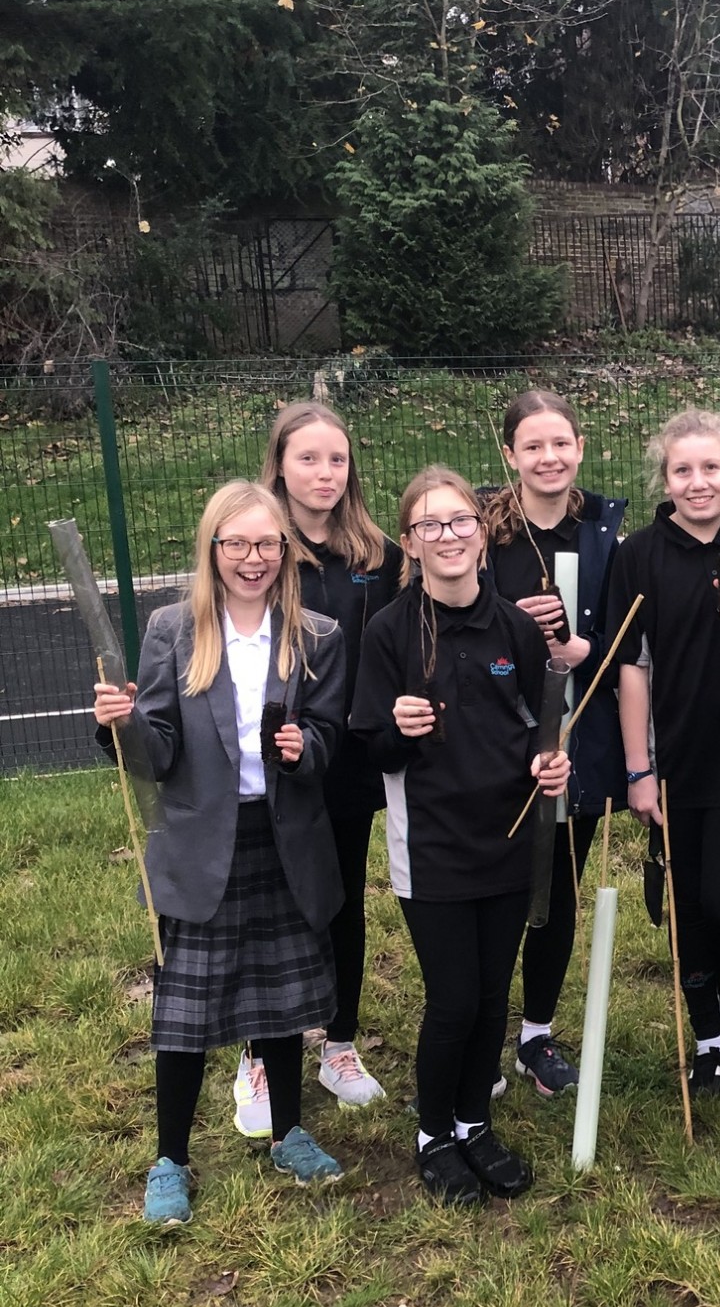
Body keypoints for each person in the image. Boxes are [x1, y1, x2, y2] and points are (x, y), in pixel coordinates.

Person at [93, 482, 348, 1226]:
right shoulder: (175, 631)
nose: (252, 558)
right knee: (185, 1012)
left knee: (282, 1000)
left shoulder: (316, 634)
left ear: (285, 550)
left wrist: (305, 748)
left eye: (266, 543)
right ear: (212, 549)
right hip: (203, 844)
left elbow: (330, 735)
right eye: (236, 543)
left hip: (283, 840)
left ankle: (288, 1132)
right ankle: (170, 1158)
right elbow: (157, 752)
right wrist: (121, 724)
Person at [349, 466, 571, 1207]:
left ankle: (475, 1123)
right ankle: (434, 1135)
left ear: (481, 533)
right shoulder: (388, 633)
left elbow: (541, 728)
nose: (447, 536)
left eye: (460, 521)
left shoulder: (516, 630)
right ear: (409, 543)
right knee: (453, 1000)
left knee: (492, 994)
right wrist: (398, 730)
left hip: (508, 841)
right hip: (433, 848)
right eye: (429, 525)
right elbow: (375, 751)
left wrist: (550, 763)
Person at [607, 409, 720, 1096]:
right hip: (673, 763)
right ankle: (707, 1037)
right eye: (682, 469)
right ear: (665, 478)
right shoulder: (638, 555)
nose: (698, 481)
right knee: (687, 908)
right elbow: (632, 666)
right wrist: (638, 770)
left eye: (712, 467)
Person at [256, 400, 403, 1121]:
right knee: (274, 903)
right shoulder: (259, 549)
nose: (324, 472)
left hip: (347, 761)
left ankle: (339, 1045)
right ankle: (262, 1051)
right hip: (274, 756)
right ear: (280, 465)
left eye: (337, 459)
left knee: (341, 898)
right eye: (308, 458)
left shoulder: (380, 557)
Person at [482, 389, 627, 1096]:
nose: (549, 457)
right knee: (492, 894)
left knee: (557, 892)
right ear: (509, 454)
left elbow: (628, 637)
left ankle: (535, 1034)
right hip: (492, 743)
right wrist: (512, 624)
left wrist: (579, 648)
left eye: (561, 443)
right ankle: (479, 1033)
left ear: (580, 448)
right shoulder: (480, 532)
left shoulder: (604, 531)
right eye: (533, 446)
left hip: (577, 741)